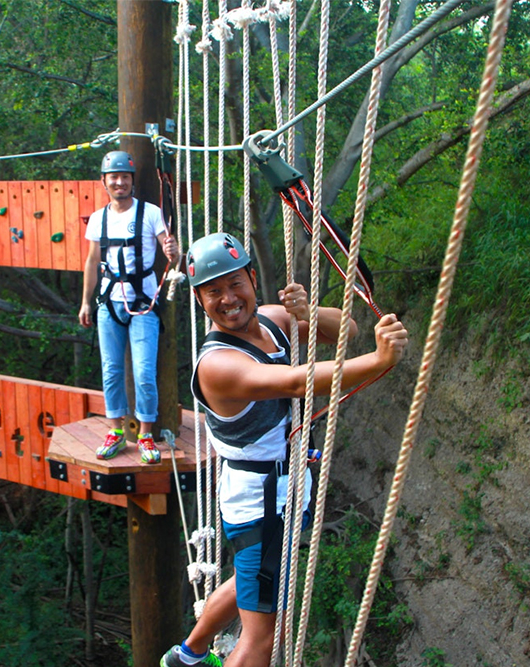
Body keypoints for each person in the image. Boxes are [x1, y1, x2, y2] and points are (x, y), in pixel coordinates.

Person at [161, 232, 409, 667]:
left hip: (286, 484)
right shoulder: (218, 365)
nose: (227, 298)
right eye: (213, 291)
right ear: (199, 300)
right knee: (261, 639)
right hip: (259, 501)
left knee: (253, 579)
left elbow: (345, 330)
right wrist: (379, 361)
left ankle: (188, 654)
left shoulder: (275, 320)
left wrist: (308, 312)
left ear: (252, 279)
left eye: (235, 283)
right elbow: (297, 381)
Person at [79, 150, 180, 464]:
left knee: (144, 372)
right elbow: (93, 261)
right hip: (110, 301)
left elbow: (171, 254)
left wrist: (172, 250)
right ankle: (115, 431)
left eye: (125, 177)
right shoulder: (99, 219)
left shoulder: (149, 213)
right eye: (114, 178)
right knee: (111, 370)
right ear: (104, 182)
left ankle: (146, 435)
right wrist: (85, 302)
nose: (119, 182)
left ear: (132, 181)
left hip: (143, 302)